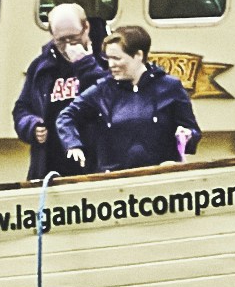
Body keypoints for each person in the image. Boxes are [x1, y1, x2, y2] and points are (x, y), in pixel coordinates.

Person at [57, 22, 201, 174]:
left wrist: (188, 135)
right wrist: (73, 144)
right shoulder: (102, 90)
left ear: (138, 55)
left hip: (161, 178)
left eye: (117, 58)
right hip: (114, 181)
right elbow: (66, 116)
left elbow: (193, 132)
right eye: (108, 58)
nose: (111, 65)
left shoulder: (170, 87)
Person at [14, 1, 102, 182]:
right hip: (49, 166)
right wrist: (31, 126)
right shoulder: (41, 66)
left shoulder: (107, 59)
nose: (68, 45)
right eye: (61, 40)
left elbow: (110, 98)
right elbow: (21, 108)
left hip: (95, 162)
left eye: (73, 37)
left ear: (86, 28)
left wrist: (85, 65)